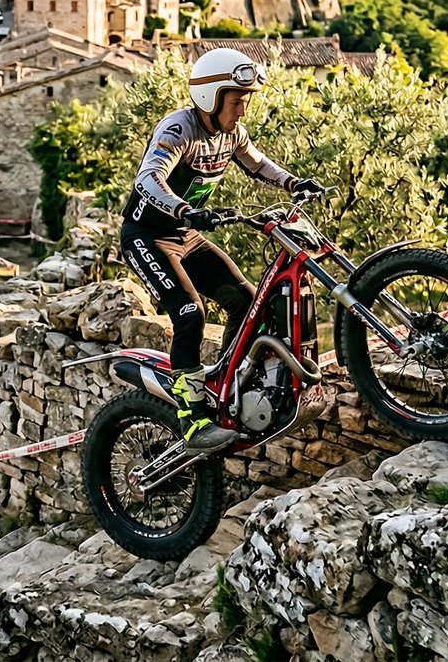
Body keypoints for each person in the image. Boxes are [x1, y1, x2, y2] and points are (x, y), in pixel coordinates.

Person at [119, 48, 323, 451]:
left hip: (187, 236)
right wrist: (184, 209)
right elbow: (148, 179)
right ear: (210, 97)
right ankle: (192, 417)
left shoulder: (232, 134)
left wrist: (293, 183)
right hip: (146, 236)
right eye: (237, 101)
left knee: (248, 301)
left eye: (247, 100)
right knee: (190, 313)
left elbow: (259, 164)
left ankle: (223, 385)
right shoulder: (178, 130)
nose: (243, 110)